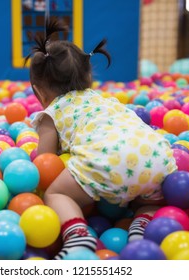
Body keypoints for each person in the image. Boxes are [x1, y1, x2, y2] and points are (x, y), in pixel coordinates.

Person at [27, 19, 177, 260]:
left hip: (107, 161)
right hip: (156, 157)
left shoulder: (51, 113)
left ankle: (77, 237)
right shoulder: (99, 99)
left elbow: (45, 161)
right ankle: (142, 223)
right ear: (88, 78)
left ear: (38, 92)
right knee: (147, 195)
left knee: (56, 194)